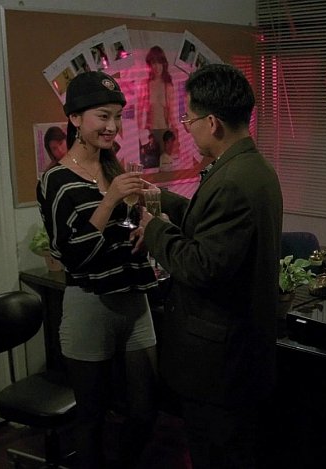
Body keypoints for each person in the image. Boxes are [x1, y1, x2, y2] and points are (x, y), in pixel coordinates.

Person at [137, 63, 283, 468]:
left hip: (220, 364)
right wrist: (163, 200)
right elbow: (214, 227)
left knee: (217, 454)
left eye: (190, 120)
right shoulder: (252, 168)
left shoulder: (233, 180)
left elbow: (201, 265)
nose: (187, 128)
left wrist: (152, 229)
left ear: (213, 122)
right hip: (238, 355)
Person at [36, 71, 159, 468]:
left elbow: (127, 229)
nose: (112, 126)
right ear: (75, 119)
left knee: (144, 410)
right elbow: (72, 255)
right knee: (90, 417)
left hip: (134, 300)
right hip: (89, 304)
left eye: (117, 117)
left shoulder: (115, 167)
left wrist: (143, 224)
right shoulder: (56, 180)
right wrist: (110, 200)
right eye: (103, 116)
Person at [138, 45, 178, 158]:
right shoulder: (145, 85)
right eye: (153, 63)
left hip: (165, 133)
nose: (157, 67)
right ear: (149, 65)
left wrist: (176, 133)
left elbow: (172, 114)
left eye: (159, 63)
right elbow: (140, 112)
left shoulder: (168, 86)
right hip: (150, 133)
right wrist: (139, 134)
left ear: (164, 64)